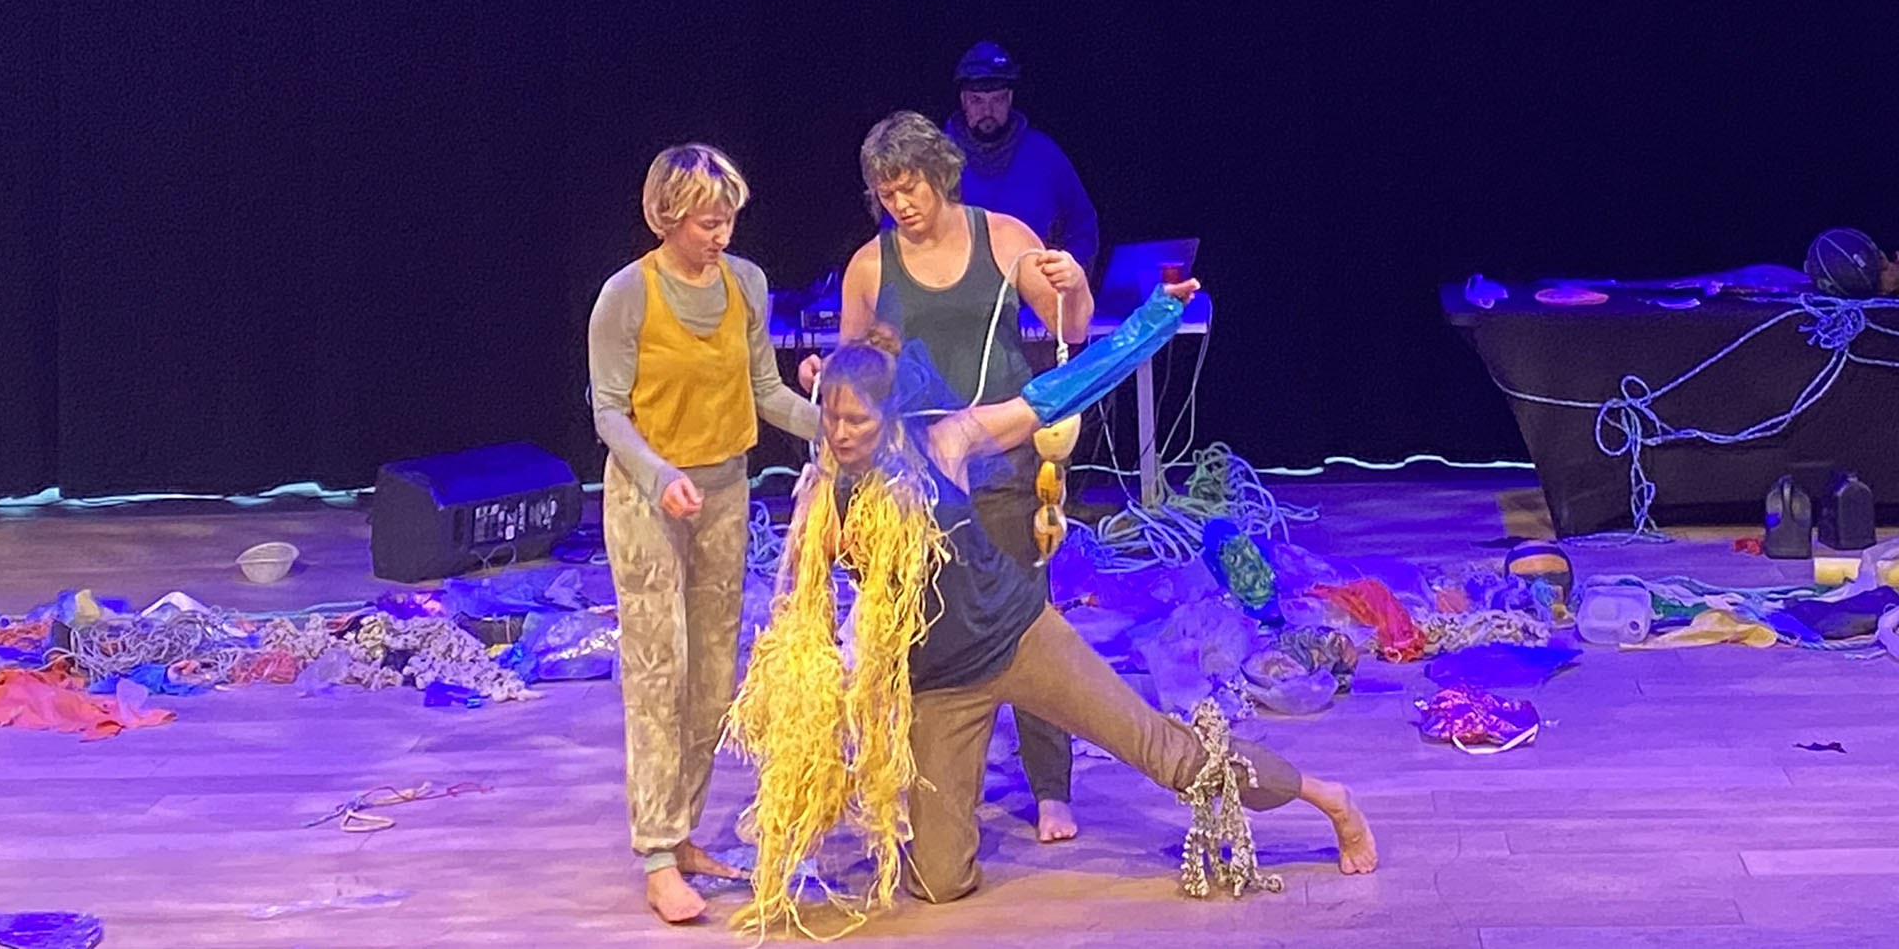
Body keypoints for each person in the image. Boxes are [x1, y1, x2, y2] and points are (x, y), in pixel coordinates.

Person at [730, 280, 1374, 933]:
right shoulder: (823, 494)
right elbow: (805, 614)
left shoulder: (943, 445)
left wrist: (1153, 319)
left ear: (892, 415)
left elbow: (1056, 394)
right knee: (938, 880)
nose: (839, 433)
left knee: (1166, 753)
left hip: (1019, 637)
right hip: (940, 685)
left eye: (857, 420)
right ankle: (953, 803)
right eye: (831, 418)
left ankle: (1327, 797)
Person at [799, 109, 1094, 843]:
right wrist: (824, 376)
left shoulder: (1004, 237)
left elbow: (1074, 327)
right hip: (910, 479)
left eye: (911, 187)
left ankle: (1051, 787)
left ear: (941, 175)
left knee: (1027, 621)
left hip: (1001, 465)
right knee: (909, 632)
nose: (901, 203)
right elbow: (858, 374)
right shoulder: (872, 265)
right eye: (886, 192)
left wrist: (1075, 283)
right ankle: (914, 784)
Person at [587, 143, 818, 923]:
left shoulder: (745, 283)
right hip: (651, 497)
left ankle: (684, 828)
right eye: (705, 221)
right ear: (666, 216)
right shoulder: (627, 295)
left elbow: (765, 391)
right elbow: (609, 411)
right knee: (662, 669)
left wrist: (837, 425)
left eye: (726, 219)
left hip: (724, 491)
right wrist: (660, 475)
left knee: (715, 675)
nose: (720, 234)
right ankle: (656, 850)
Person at [944, 40, 1099, 265]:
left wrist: (1065, 283)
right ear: (963, 101)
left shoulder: (1044, 155)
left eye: (997, 100)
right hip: (950, 293)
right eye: (977, 101)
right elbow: (897, 234)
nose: (987, 111)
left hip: (1031, 290)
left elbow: (1082, 227)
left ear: (1010, 99)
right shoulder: (933, 158)